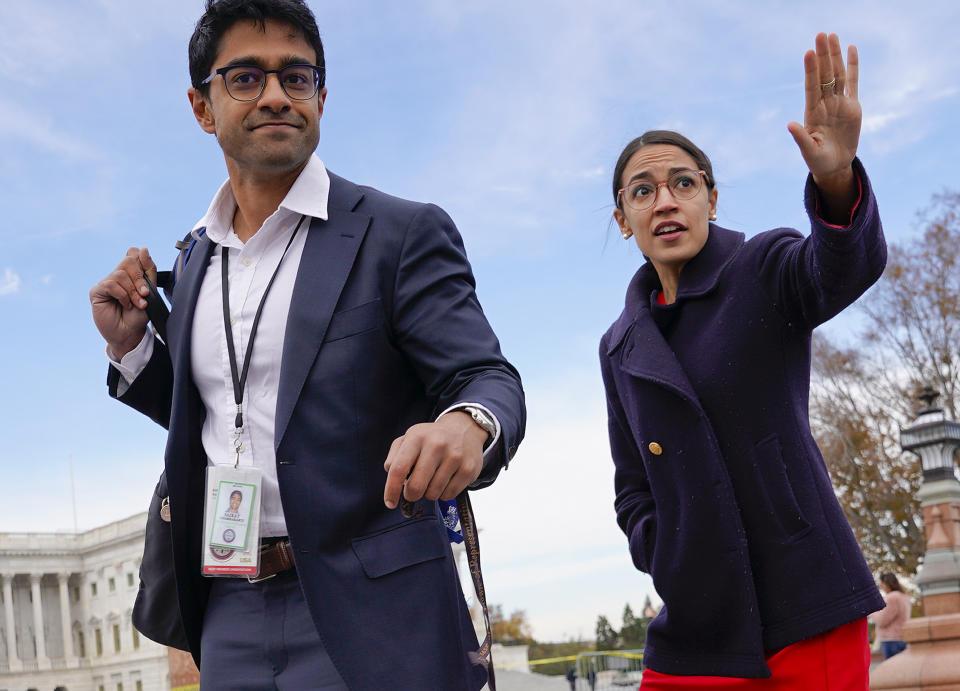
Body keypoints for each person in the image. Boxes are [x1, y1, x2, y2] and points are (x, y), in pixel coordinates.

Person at [88, 1, 525, 688]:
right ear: (202, 107)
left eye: (296, 76)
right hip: (227, 603)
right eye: (245, 77)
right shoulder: (197, 258)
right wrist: (134, 350)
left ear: (321, 96)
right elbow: (228, 412)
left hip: (373, 603)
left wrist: (469, 424)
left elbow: (486, 375)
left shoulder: (398, 232)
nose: (274, 95)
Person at [599, 33, 885, 687]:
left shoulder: (759, 267)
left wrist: (836, 179)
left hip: (808, 598)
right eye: (642, 191)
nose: (665, 200)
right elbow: (630, 484)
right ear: (623, 218)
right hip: (699, 618)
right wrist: (666, 549)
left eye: (683, 183)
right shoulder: (618, 345)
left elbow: (840, 269)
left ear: (711, 199)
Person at [870, 572, 911, 659]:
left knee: (893, 670)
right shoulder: (904, 597)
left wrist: (871, 612)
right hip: (903, 637)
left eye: (882, 584)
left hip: (891, 639)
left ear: (887, 584)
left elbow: (882, 621)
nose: (882, 587)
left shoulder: (892, 597)